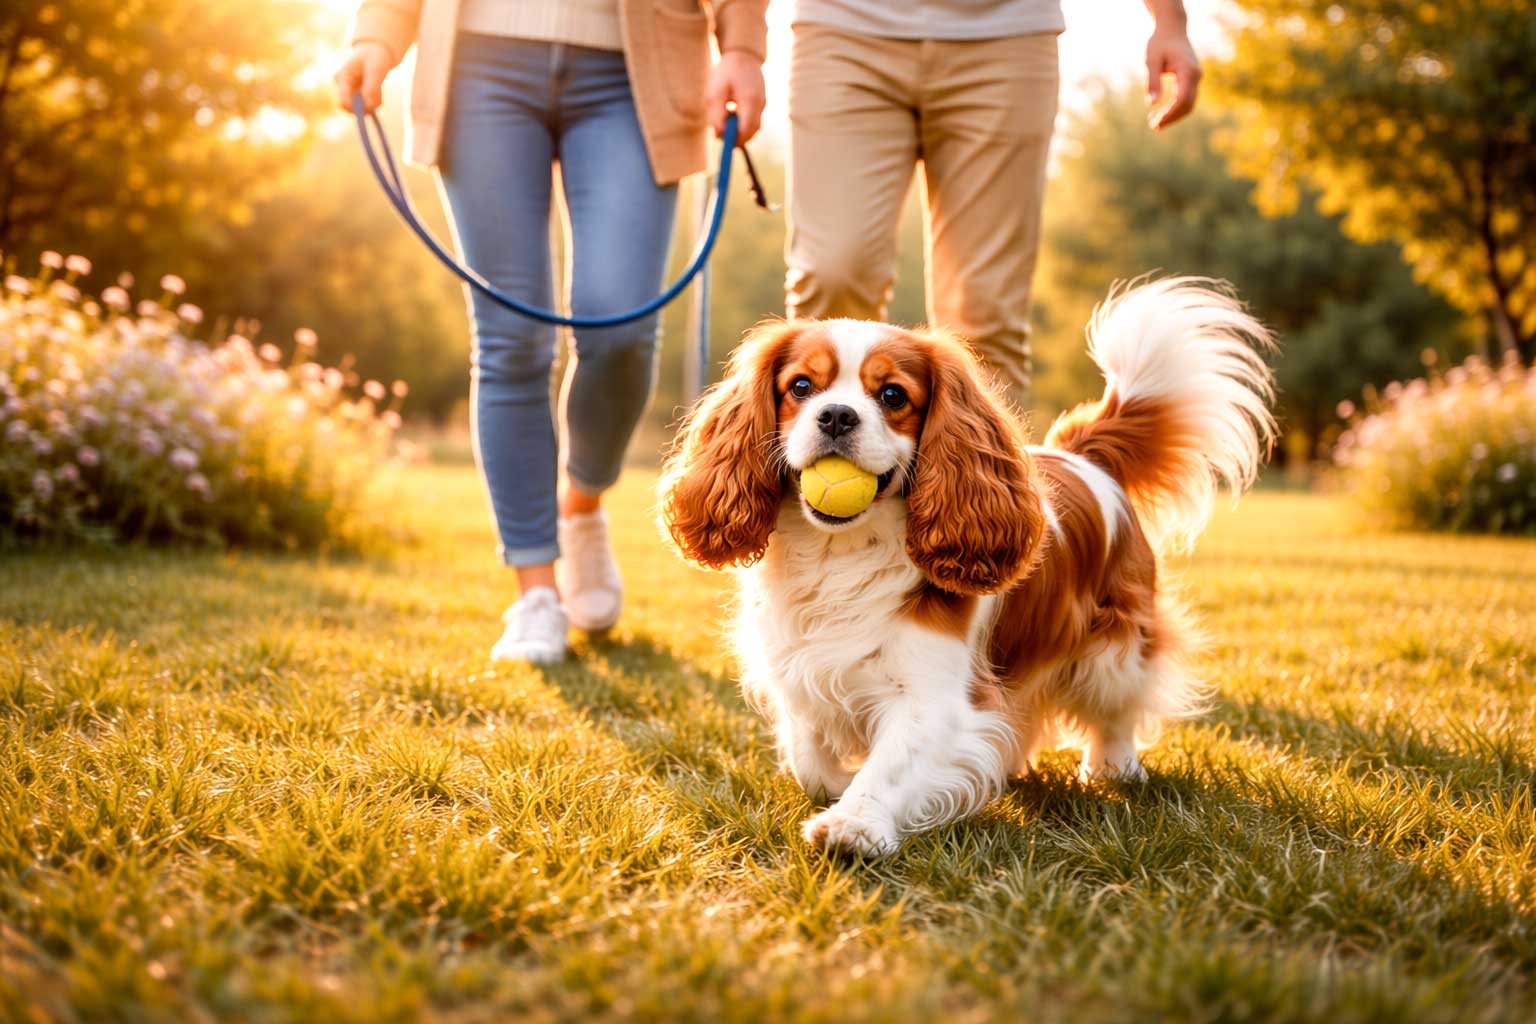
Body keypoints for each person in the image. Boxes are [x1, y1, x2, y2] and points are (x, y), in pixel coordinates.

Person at [336, 0, 767, 664]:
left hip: (637, 67)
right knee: (509, 339)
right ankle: (536, 591)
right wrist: (378, 34)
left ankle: (582, 501)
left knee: (620, 327)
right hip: (480, 62)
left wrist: (740, 47)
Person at [784, 0, 1202, 408]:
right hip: (840, 29)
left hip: (1007, 35)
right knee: (832, 271)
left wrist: (1169, 21)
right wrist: (743, 51)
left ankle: (980, 478)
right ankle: (797, 474)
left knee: (984, 311)